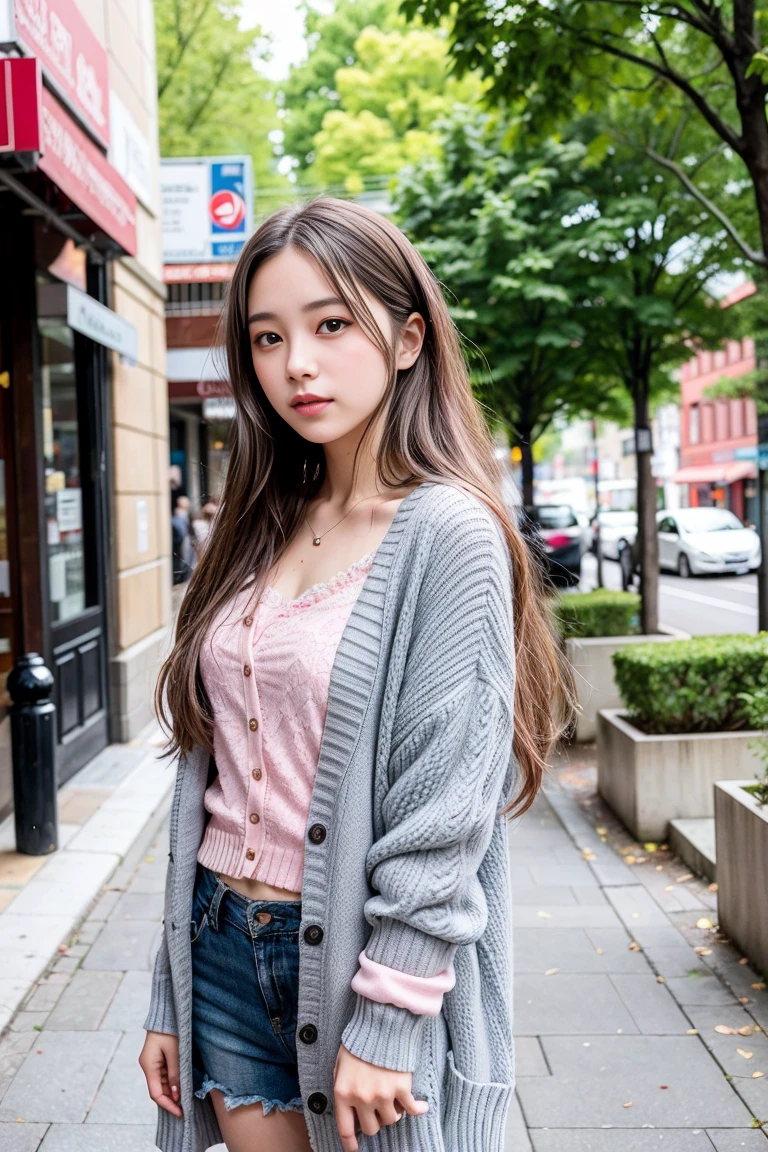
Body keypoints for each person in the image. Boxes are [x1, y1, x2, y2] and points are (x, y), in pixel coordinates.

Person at [139, 196, 575, 1152]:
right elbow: (217, 779)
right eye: (266, 337)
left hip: (352, 962)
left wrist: (388, 1019)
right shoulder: (263, 520)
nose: (296, 362)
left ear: (409, 337)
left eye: (331, 324)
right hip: (218, 939)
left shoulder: (447, 534)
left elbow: (444, 815)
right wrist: (170, 988)